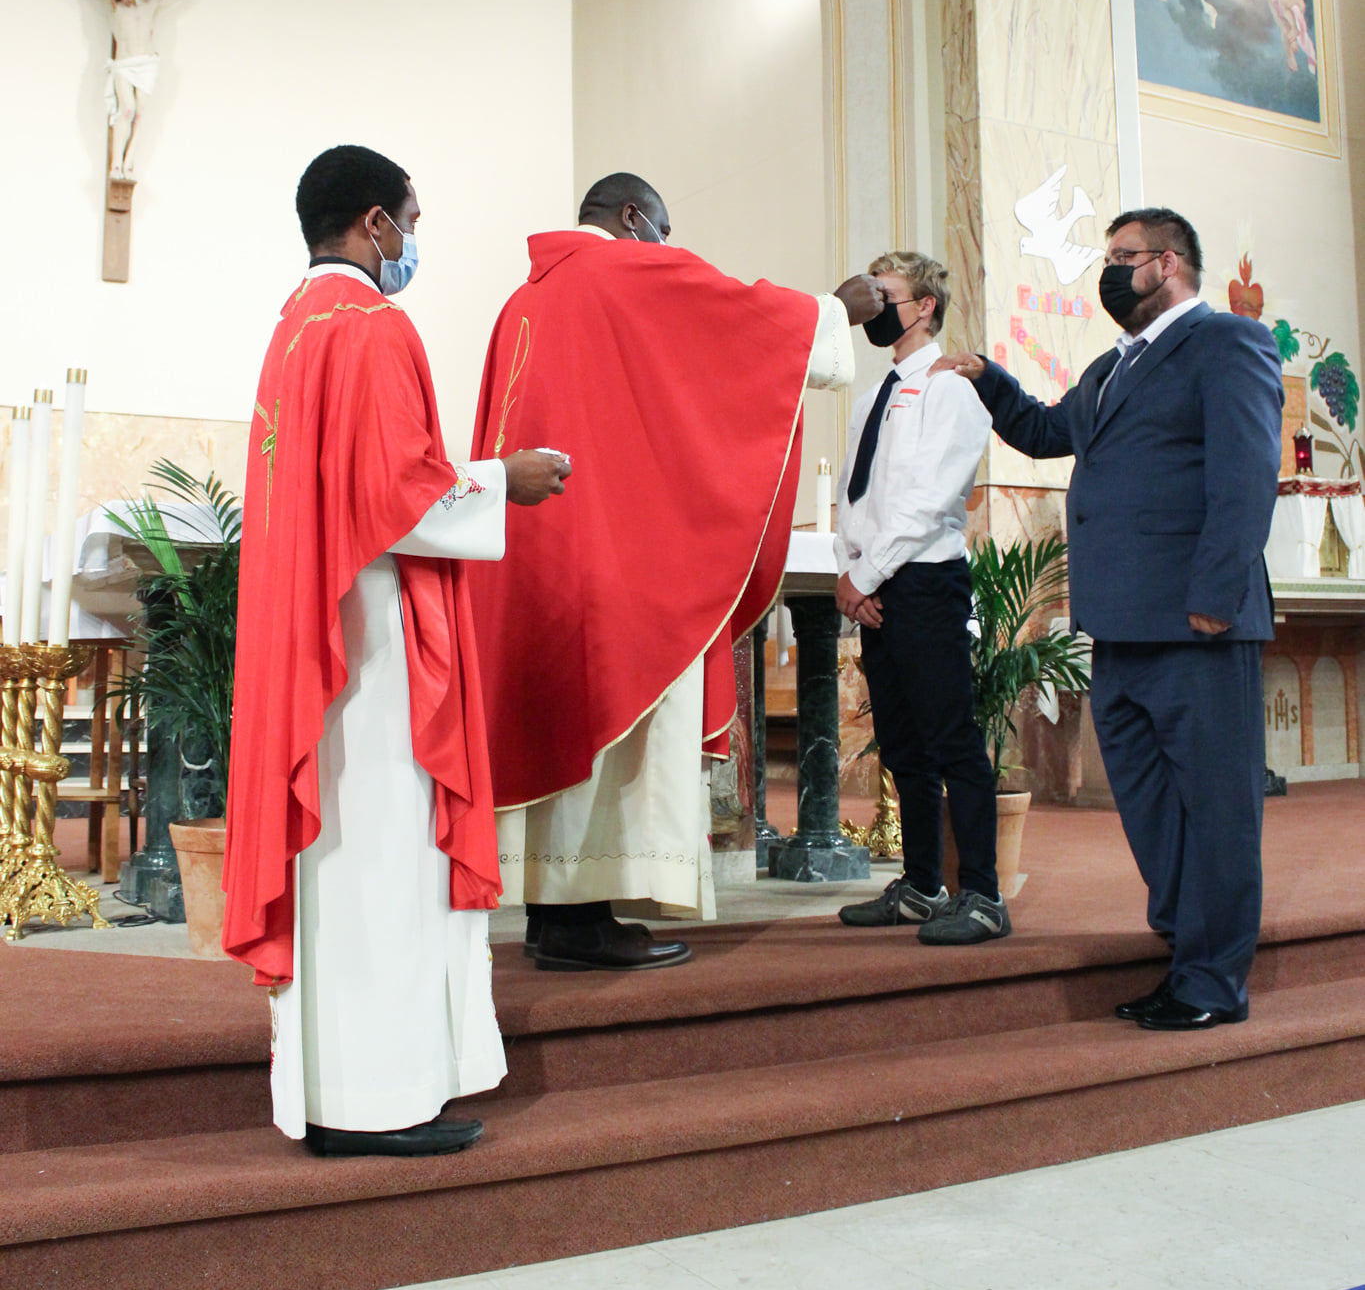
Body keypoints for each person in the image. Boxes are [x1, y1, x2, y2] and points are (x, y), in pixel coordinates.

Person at [223, 144, 569, 1156]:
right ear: (373, 222)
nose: (411, 245)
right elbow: (398, 496)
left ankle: (336, 1091)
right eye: (408, 224)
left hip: (314, 638)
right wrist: (508, 478)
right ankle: (375, 1101)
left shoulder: (294, 326)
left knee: (337, 865)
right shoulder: (373, 325)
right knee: (378, 865)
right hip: (368, 652)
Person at [466, 171, 883, 970]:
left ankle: (555, 915)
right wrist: (833, 310)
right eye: (660, 227)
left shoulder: (523, 301)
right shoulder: (624, 267)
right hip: (611, 561)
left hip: (534, 559)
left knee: (558, 720)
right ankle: (584, 921)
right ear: (631, 218)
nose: (666, 245)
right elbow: (740, 323)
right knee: (609, 719)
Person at [934, 207, 1282, 1028]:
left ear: (1166, 264)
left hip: (1195, 623)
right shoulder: (1109, 368)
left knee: (1215, 809)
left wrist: (1214, 597)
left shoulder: (1227, 344)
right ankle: (1182, 951)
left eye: (1121, 256)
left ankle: (1212, 983)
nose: (1107, 270)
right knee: (1151, 804)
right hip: (1119, 627)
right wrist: (988, 377)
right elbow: (1047, 432)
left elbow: (1245, 475)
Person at [833, 253, 1008, 946]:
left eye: (887, 296)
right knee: (903, 746)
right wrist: (853, 573)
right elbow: (860, 494)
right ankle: (921, 886)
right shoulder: (874, 393)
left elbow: (929, 498)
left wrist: (866, 575)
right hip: (877, 584)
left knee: (950, 742)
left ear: (926, 306)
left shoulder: (950, 389)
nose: (875, 308)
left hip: (925, 583)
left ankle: (984, 896)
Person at [48, 0, 211, 179]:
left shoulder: (151, 6)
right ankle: (115, 165)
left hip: (147, 64)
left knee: (141, 114)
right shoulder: (112, 5)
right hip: (124, 65)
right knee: (126, 110)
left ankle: (129, 163)